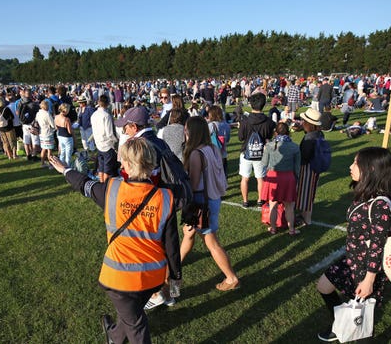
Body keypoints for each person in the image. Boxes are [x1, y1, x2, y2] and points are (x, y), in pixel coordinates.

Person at [48, 138, 181, 344]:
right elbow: (171, 244)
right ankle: (114, 336)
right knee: (130, 314)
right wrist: (174, 277)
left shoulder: (112, 190)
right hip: (151, 278)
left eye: (122, 162)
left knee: (136, 323)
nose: (120, 165)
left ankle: (116, 337)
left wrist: (65, 170)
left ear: (128, 164)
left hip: (120, 277)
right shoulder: (165, 197)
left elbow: (84, 184)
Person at [316, 147, 391, 342]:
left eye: (356, 163)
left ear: (372, 169)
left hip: (366, 267)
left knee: (361, 316)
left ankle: (357, 334)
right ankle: (339, 323)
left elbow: (377, 246)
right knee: (324, 286)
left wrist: (369, 280)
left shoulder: (379, 204)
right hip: (352, 258)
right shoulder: (365, 194)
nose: (351, 167)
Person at [179, 116, 239, 291]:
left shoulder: (196, 154)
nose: (184, 131)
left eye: (186, 128)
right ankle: (174, 266)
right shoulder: (212, 148)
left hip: (200, 202)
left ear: (191, 131)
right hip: (212, 199)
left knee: (211, 241)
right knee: (188, 232)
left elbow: (195, 184)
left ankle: (231, 277)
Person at [261, 122, 301, 235]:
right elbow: (297, 168)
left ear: (275, 132)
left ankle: (273, 228)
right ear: (288, 132)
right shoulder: (295, 147)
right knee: (289, 206)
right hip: (288, 177)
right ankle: (291, 229)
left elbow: (264, 163)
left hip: (273, 176)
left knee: (272, 204)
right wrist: (296, 180)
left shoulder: (269, 146)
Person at [237, 92, 276, 208]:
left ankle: (245, 201)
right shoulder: (269, 122)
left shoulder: (245, 121)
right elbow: (269, 137)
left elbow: (240, 138)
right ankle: (260, 200)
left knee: (245, 178)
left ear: (250, 104)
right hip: (261, 153)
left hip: (246, 153)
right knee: (260, 178)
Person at [295, 108, 324, 226]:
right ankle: (305, 216)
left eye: (304, 121)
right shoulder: (318, 134)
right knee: (309, 192)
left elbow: (305, 156)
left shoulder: (309, 138)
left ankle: (306, 219)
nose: (302, 122)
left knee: (305, 193)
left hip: (308, 168)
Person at [91, 94, 119, 182]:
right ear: (107, 104)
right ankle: (105, 185)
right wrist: (116, 141)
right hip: (107, 144)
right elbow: (109, 133)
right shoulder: (106, 116)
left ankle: (101, 183)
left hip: (98, 142)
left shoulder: (94, 115)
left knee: (101, 166)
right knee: (107, 168)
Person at [36, 100, 56, 168]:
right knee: (49, 150)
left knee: (44, 149)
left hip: (41, 133)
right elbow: (53, 125)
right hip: (48, 133)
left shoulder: (38, 113)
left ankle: (42, 163)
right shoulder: (47, 114)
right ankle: (50, 164)